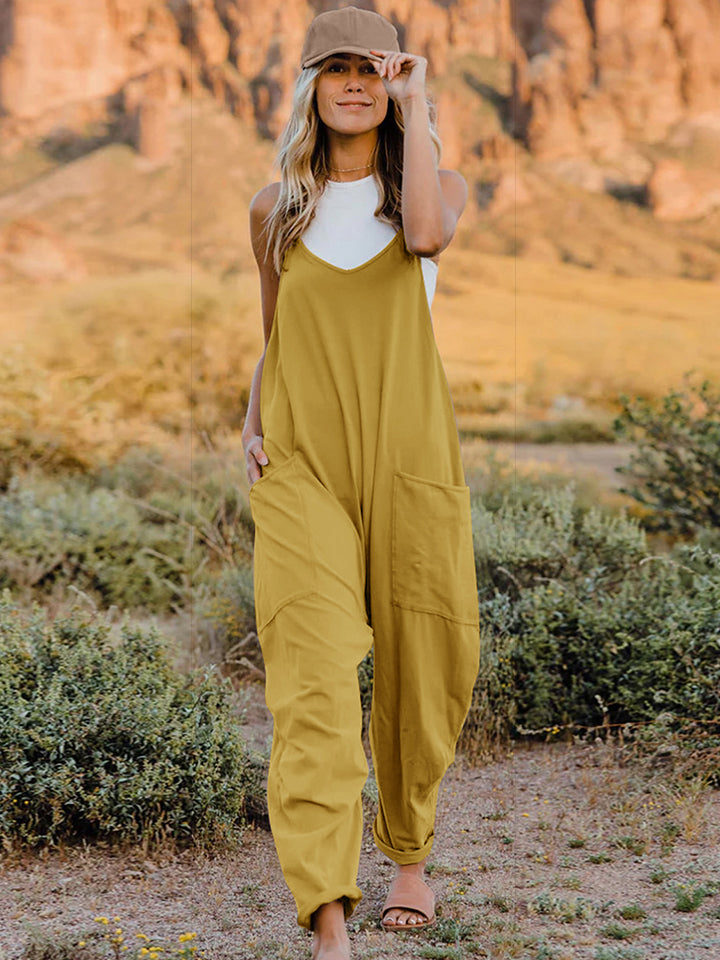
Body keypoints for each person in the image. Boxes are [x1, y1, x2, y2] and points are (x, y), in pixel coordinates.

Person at [241, 7, 480, 959]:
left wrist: (417, 105)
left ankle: (409, 855)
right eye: (333, 68)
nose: (353, 84)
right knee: (312, 679)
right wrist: (252, 422)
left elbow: (425, 238)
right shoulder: (275, 208)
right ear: (309, 85)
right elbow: (274, 333)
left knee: (426, 659)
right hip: (302, 460)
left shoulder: (434, 184)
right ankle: (328, 915)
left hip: (409, 450)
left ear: (394, 81)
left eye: (370, 69)